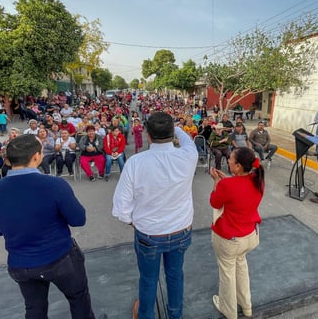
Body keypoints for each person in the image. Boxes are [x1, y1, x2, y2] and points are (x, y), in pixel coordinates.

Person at [0, 134, 95, 319]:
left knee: (34, 309)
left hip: (21, 264)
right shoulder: (55, 185)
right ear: (36, 156)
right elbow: (78, 219)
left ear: (8, 158)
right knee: (78, 298)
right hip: (61, 259)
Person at [112, 112, 197, 319]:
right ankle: (175, 316)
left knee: (148, 280)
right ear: (172, 135)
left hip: (149, 235)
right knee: (175, 275)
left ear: (147, 135)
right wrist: (175, 127)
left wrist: (134, 222)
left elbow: (121, 208)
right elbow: (186, 139)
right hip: (181, 232)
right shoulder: (189, 154)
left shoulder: (135, 162)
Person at [209, 147, 264, 319]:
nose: (228, 161)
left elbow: (215, 202)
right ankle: (246, 306)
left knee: (228, 274)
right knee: (241, 266)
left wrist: (217, 182)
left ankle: (229, 310)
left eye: (231, 159)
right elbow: (240, 189)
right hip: (249, 236)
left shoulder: (227, 185)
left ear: (239, 166)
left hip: (230, 239)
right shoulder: (258, 179)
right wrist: (227, 181)